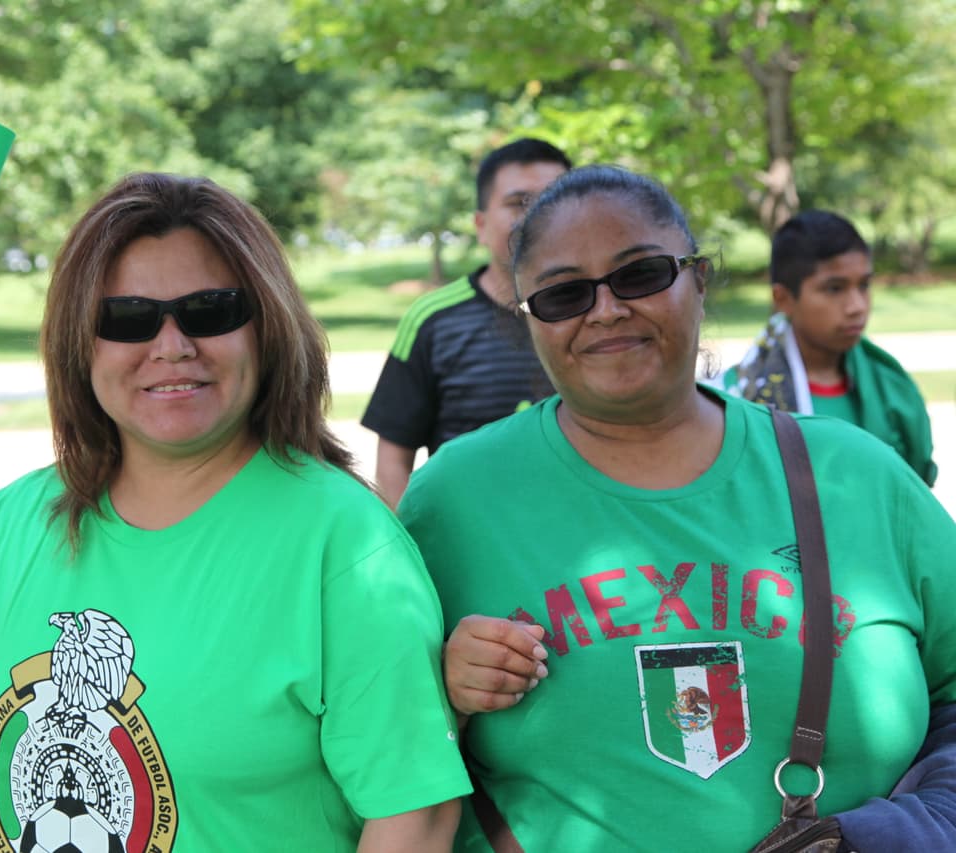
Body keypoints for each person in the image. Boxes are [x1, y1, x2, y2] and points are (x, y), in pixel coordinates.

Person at [0, 172, 471, 851]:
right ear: (79, 343)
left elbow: (416, 815)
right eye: (128, 319)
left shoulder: (344, 545)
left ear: (266, 328)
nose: (173, 346)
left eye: (210, 311)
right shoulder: (16, 521)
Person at [398, 165, 956, 851]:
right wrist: (442, 692)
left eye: (640, 275)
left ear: (700, 278)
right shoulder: (454, 498)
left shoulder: (857, 475)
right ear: (527, 317)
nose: (606, 310)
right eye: (564, 294)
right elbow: (375, 735)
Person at [361, 138, 571, 507]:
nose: (538, 215)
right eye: (519, 202)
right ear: (480, 224)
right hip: (463, 535)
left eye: (554, 200)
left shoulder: (604, 310)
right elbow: (394, 459)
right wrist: (411, 537)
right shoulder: (433, 319)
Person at [718, 209, 937, 485]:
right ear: (783, 299)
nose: (857, 306)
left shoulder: (893, 389)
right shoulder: (736, 399)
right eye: (835, 288)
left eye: (864, 285)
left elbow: (917, 492)